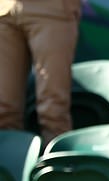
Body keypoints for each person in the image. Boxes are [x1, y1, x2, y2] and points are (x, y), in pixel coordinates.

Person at [0, 0, 81, 143]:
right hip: (5, 9)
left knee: (53, 110)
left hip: (51, 8)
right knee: (4, 111)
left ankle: (58, 164)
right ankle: (11, 164)